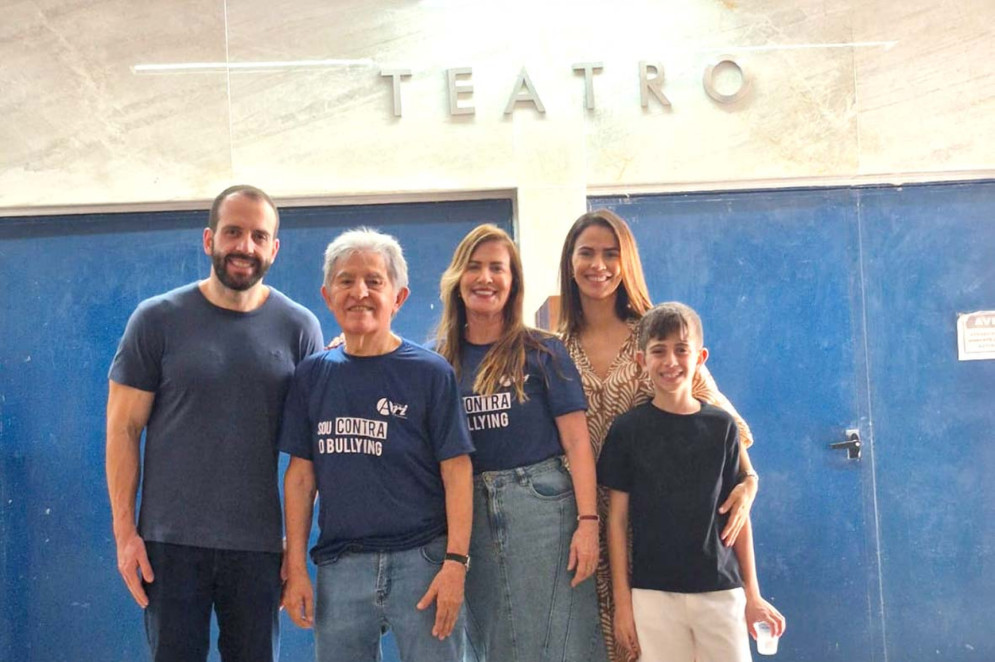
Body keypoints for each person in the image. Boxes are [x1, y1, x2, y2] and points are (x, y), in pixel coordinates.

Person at [106, 184, 324, 662]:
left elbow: (308, 455)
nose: (244, 246)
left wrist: (296, 551)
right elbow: (123, 430)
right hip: (169, 545)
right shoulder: (156, 320)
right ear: (209, 240)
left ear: (274, 249)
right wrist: (126, 536)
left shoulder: (300, 327)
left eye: (258, 236)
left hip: (259, 548)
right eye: (233, 232)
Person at [557, 209, 761, 660]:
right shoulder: (556, 348)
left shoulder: (656, 335)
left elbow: (725, 424)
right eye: (587, 253)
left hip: (656, 533)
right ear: (570, 262)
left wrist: (750, 481)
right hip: (589, 526)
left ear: (627, 261)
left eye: (612, 254)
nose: (599, 265)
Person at [279, 227, 474, 662]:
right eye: (346, 281)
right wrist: (294, 567)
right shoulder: (311, 376)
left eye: (374, 281)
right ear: (328, 296)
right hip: (340, 566)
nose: (359, 292)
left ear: (398, 297)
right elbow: (300, 477)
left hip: (423, 561)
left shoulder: (431, 372)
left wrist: (456, 562)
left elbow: (457, 469)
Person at [434, 225, 607, 662]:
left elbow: (577, 442)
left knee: (561, 640)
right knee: (490, 642)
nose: (485, 278)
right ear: (457, 277)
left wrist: (589, 523)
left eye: (498, 268)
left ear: (513, 283)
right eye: (474, 267)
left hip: (544, 508)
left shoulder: (544, 351)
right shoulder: (435, 363)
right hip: (467, 511)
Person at [598, 302, 785, 662]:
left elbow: (738, 515)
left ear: (700, 357)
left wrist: (753, 595)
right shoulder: (627, 430)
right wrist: (623, 605)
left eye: (681, 350)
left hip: (721, 592)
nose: (670, 361)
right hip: (653, 595)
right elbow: (617, 522)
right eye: (658, 351)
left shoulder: (722, 427)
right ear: (641, 360)